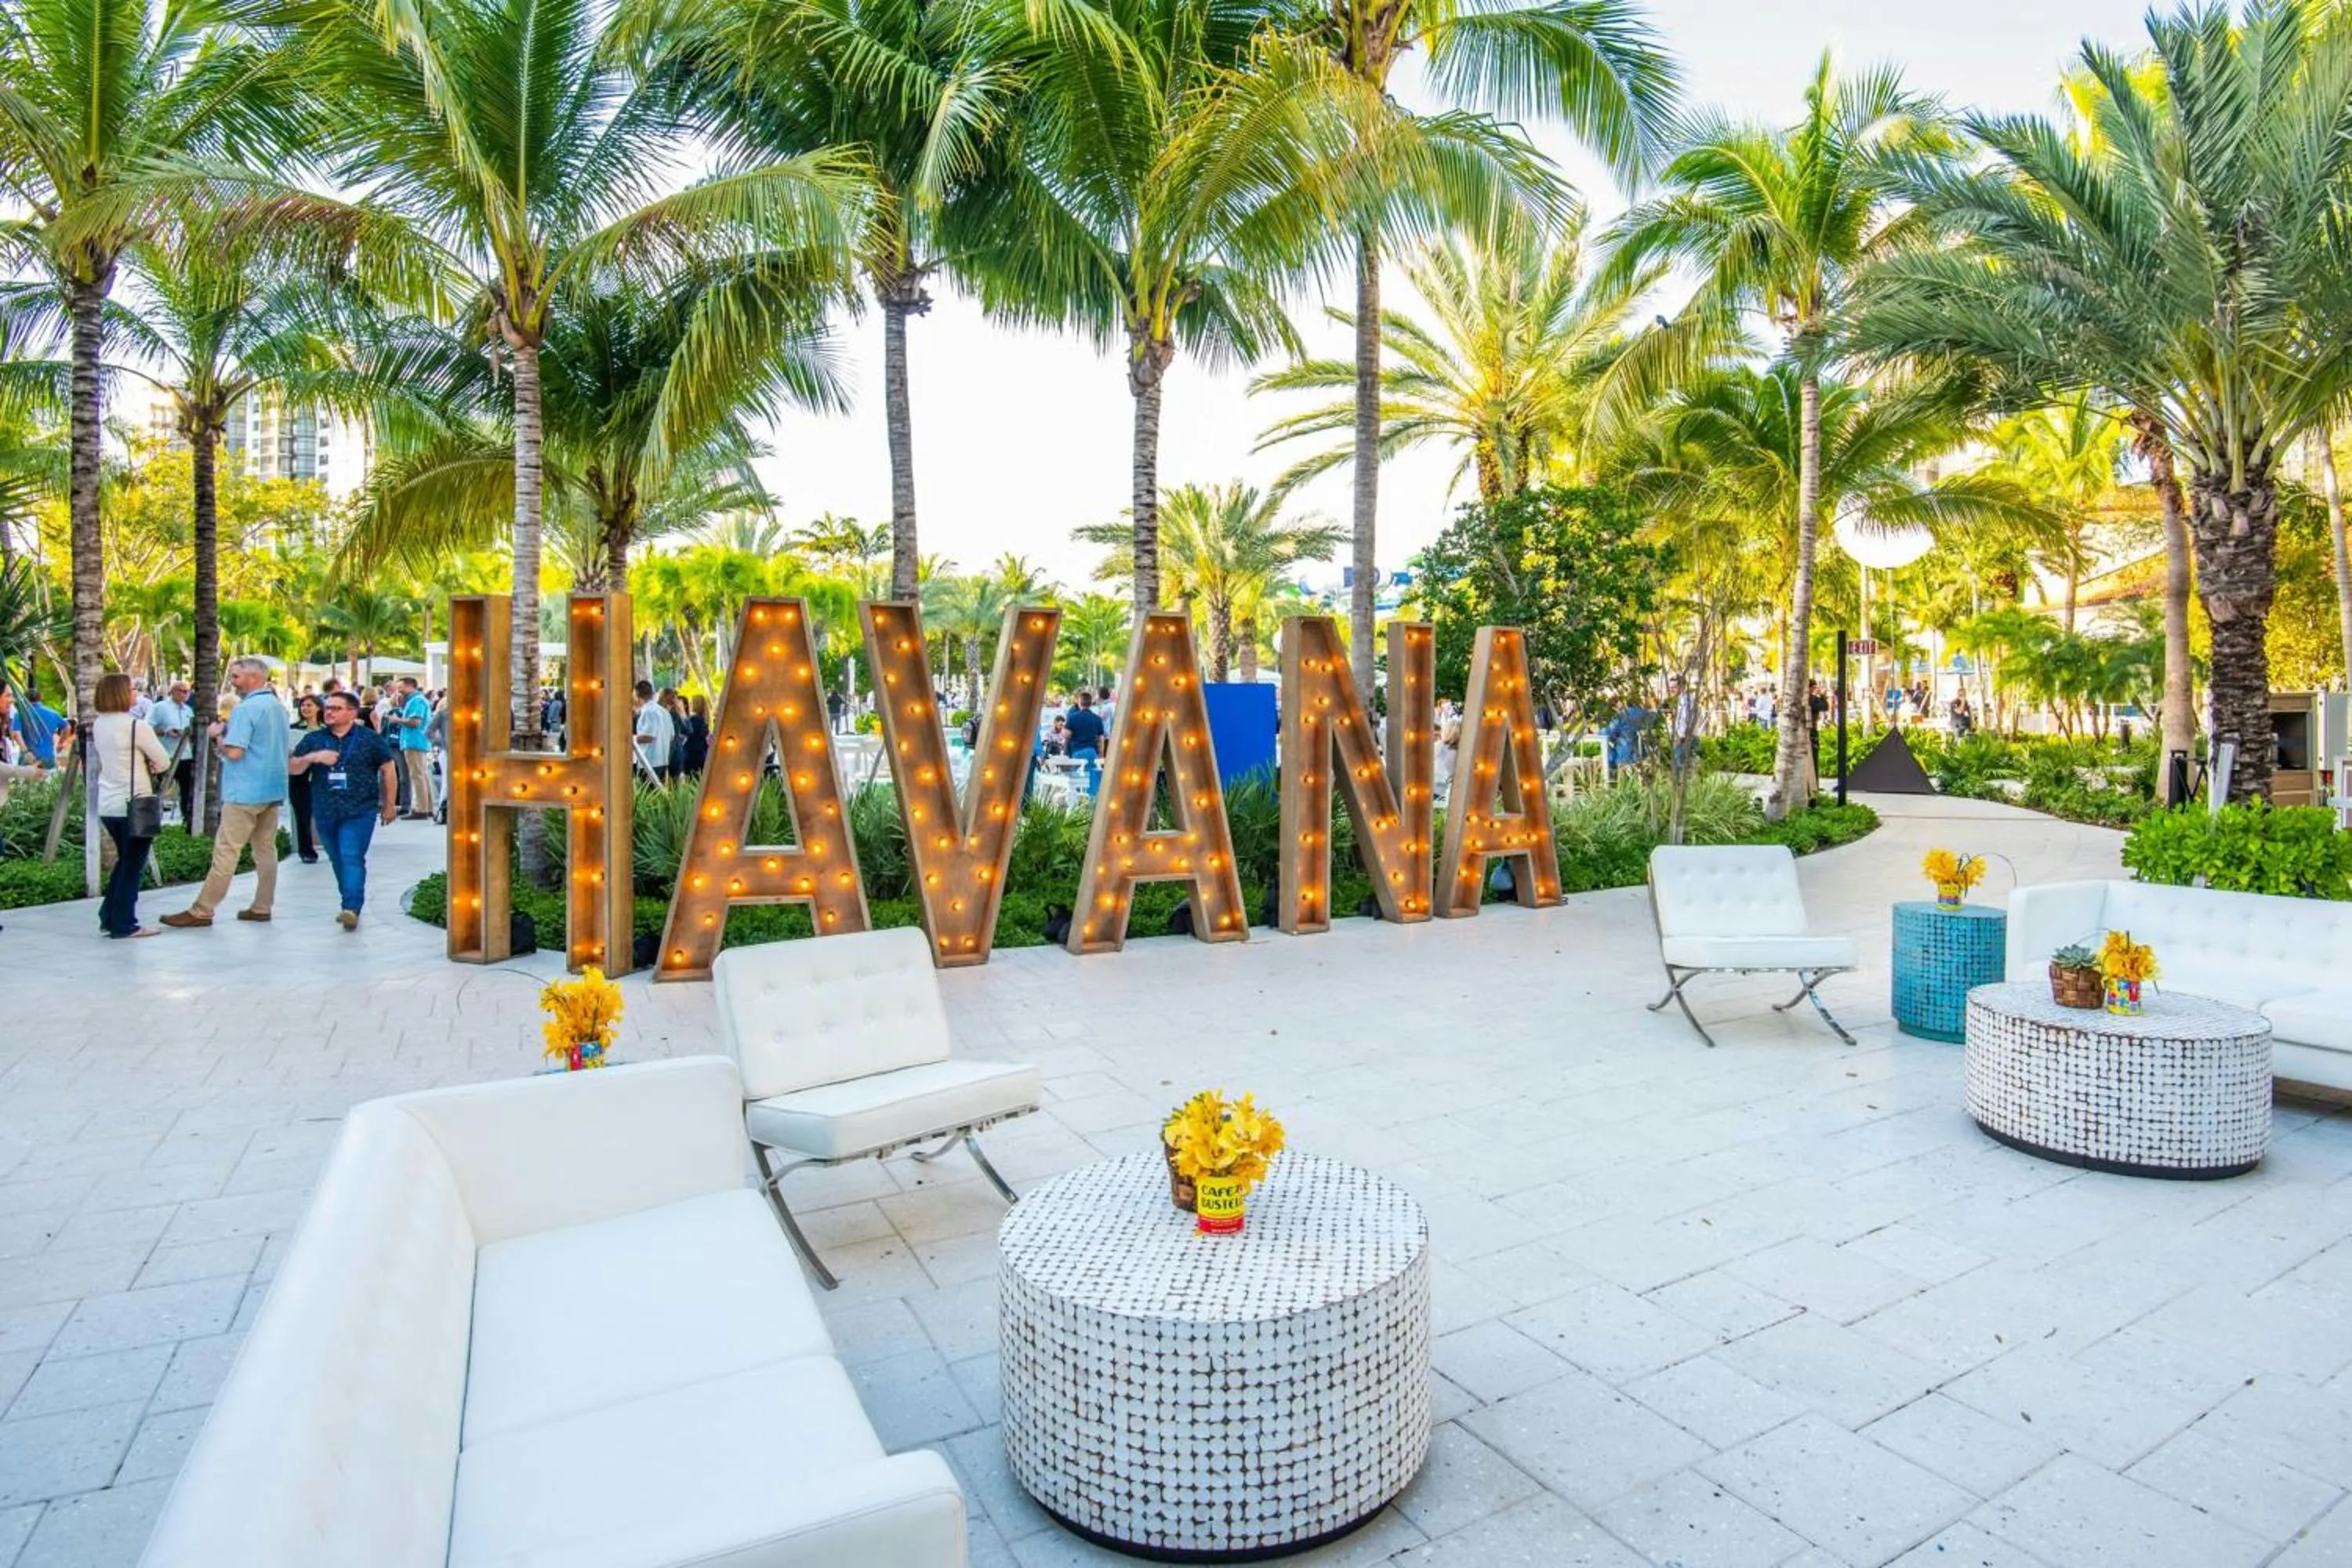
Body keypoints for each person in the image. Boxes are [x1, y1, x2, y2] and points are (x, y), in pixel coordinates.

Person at [162, 657, 289, 929]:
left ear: (255, 678)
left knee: (226, 851)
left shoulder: (247, 709)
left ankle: (202, 910)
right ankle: (262, 906)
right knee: (266, 850)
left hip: (244, 790)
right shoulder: (278, 707)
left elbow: (234, 752)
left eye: (236, 677)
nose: (232, 681)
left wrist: (216, 736)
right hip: (272, 788)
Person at [290, 691, 398, 931]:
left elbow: (388, 769)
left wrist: (390, 805)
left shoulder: (369, 739)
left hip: (360, 809)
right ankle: (349, 902)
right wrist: (315, 757)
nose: (329, 712)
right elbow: (293, 768)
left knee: (351, 855)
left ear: (352, 712)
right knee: (337, 859)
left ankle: (351, 907)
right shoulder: (315, 739)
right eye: (328, 708)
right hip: (325, 809)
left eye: (336, 708)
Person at [83, 673, 169, 940]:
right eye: (132, 689)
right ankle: (124, 924)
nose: (135, 693)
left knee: (126, 862)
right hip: (136, 802)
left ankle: (110, 916)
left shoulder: (99, 724)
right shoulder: (136, 726)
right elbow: (163, 761)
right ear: (122, 693)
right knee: (132, 866)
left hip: (109, 804)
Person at [147, 681, 196, 824]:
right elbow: (147, 728)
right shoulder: (160, 708)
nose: (185, 695)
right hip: (166, 754)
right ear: (173, 691)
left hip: (185, 755)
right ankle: (153, 820)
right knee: (160, 788)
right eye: (182, 691)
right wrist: (164, 732)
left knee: (187, 790)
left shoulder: (188, 710)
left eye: (187, 692)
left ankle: (188, 821)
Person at [391, 676, 434, 820]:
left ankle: (421, 808)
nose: (399, 690)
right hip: (417, 741)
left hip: (414, 741)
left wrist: (397, 720)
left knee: (417, 775)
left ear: (411, 686)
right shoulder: (417, 700)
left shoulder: (416, 701)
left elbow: (415, 721)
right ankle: (427, 807)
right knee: (422, 774)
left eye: (401, 687)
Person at [287, 693, 324, 862]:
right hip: (299, 776)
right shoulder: (293, 728)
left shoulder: (327, 729)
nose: (306, 708)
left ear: (318, 708)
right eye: (303, 705)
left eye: (310, 705)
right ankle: (306, 850)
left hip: (321, 776)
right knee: (302, 814)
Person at [633, 680, 675, 782]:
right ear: (652, 694)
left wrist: (631, 738)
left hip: (649, 762)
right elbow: (672, 736)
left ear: (637, 696)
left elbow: (648, 736)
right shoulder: (665, 712)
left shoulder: (648, 712)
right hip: (663, 760)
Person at [681, 694, 710, 777]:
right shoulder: (704, 720)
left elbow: (685, 733)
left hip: (691, 755)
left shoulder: (693, 719)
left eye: (691, 702)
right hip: (702, 753)